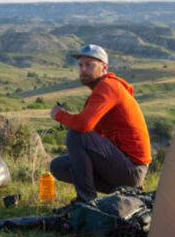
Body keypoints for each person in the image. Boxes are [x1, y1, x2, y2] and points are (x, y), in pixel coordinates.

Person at [50, 44, 152, 205]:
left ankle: (86, 202)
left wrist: (60, 115)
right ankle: (127, 194)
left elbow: (83, 126)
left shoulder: (108, 86)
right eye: (81, 65)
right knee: (58, 166)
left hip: (132, 168)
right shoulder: (103, 89)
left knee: (76, 134)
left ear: (104, 67)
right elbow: (95, 133)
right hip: (124, 166)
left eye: (89, 65)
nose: (83, 69)